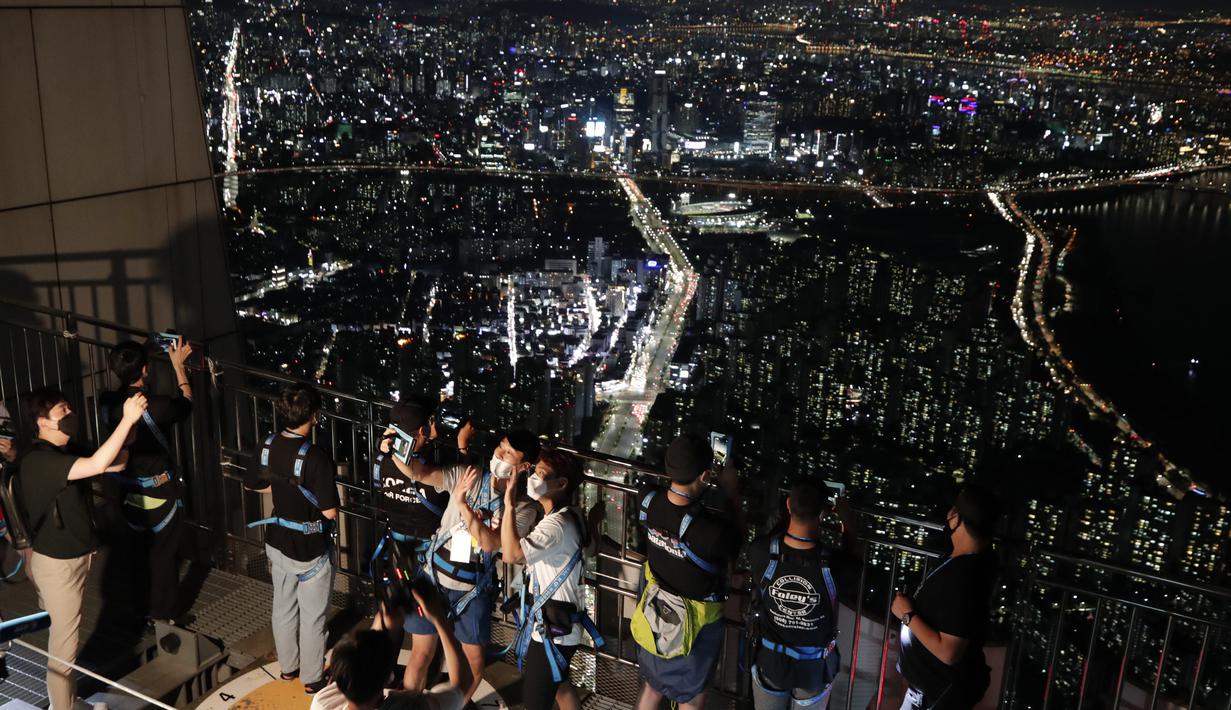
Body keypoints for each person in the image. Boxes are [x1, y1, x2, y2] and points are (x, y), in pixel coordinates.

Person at [382, 428, 540, 700]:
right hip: (435, 576)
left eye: (509, 453)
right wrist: (392, 449)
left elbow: (491, 543)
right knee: (421, 654)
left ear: (524, 466)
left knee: (474, 664)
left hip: (472, 588)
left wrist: (463, 506)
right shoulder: (467, 476)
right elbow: (418, 473)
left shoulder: (522, 508)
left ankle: (450, 707)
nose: (499, 454)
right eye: (500, 447)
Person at [18, 386, 147, 709]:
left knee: (63, 640)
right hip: (59, 566)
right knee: (64, 649)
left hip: (72, 558)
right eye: (62, 410)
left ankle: (68, 701)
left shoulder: (66, 450)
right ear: (43, 422)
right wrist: (126, 419)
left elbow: (114, 461)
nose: (70, 414)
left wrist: (129, 425)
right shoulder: (39, 461)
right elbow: (98, 465)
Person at [633, 434, 744, 710]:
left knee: (651, 685)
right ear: (706, 475)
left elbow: (666, 500)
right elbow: (738, 542)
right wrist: (731, 492)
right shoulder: (711, 531)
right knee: (692, 699)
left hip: (655, 614)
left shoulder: (646, 500)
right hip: (696, 629)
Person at [244, 384, 340, 694]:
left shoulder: (267, 444)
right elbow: (329, 513)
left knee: (282, 607)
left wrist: (282, 489)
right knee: (312, 617)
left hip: (276, 540)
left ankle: (288, 668)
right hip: (309, 548)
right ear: (314, 415)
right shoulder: (316, 458)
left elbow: (253, 484)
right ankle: (312, 678)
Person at [101, 337, 194, 624]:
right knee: (164, 556)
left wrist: (140, 355)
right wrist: (179, 366)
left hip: (127, 490)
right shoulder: (158, 406)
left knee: (137, 550)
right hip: (160, 492)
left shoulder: (107, 402)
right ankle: (164, 614)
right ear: (144, 370)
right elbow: (186, 403)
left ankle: (138, 606)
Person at [500, 448, 602, 710]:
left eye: (541, 474)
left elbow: (511, 554)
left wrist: (509, 504)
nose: (534, 477)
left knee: (536, 703)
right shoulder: (574, 514)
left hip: (551, 633)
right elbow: (591, 548)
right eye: (534, 471)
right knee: (562, 688)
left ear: (561, 484)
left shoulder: (555, 525)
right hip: (563, 626)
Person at [747, 480, 858, 710]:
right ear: (823, 514)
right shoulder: (835, 565)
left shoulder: (761, 552)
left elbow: (773, 539)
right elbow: (857, 565)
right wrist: (847, 520)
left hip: (771, 660)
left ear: (788, 505)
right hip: (814, 666)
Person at [891, 485, 1002, 710]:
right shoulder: (965, 561)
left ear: (957, 518)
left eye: (954, 508)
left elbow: (949, 651)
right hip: (928, 694)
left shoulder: (965, 577)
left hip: (933, 700)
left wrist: (907, 615)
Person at [309, 586, 470, 710]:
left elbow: (358, 662)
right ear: (389, 678)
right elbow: (462, 684)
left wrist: (383, 621)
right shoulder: (409, 706)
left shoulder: (323, 703)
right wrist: (439, 620)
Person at [370, 401, 449, 579]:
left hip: (396, 541)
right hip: (431, 545)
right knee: (427, 598)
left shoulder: (380, 460)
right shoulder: (432, 467)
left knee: (403, 591)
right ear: (423, 430)